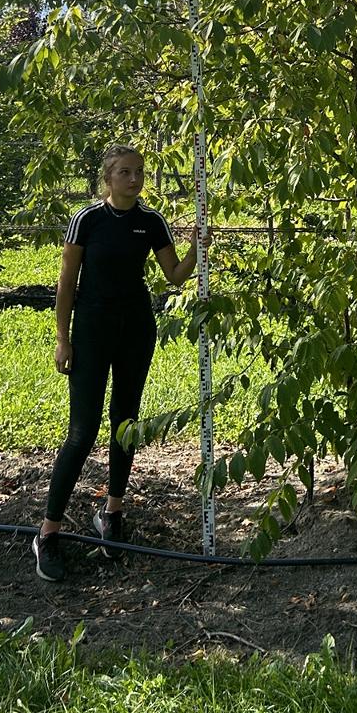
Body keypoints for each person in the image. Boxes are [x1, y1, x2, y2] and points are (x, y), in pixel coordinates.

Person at [32, 144, 206, 583]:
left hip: (136, 331)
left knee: (125, 423)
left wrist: (196, 249)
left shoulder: (150, 222)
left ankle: (112, 511)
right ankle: (48, 532)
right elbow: (66, 282)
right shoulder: (86, 220)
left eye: (139, 172)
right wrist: (62, 338)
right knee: (82, 431)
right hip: (91, 332)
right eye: (125, 173)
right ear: (108, 178)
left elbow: (175, 275)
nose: (134, 179)